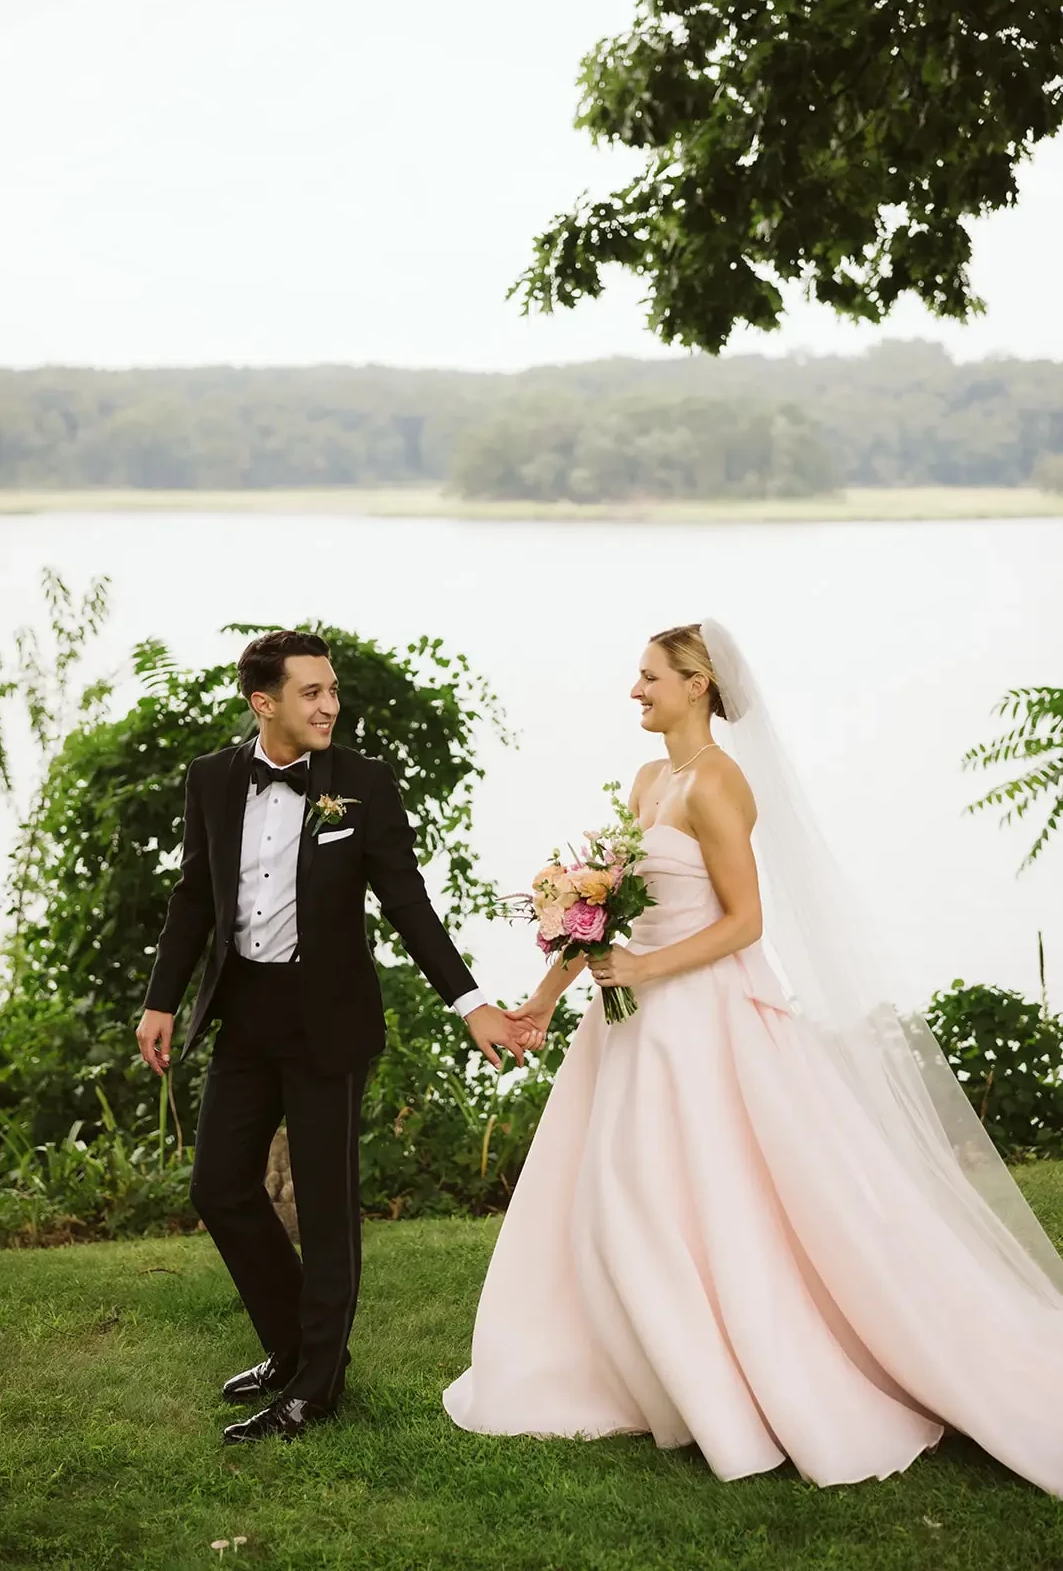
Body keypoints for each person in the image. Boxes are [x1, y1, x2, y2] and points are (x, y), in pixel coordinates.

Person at [444, 620, 1063, 1495]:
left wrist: (646, 969)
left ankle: (739, 1372)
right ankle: (642, 1365)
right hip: (628, 1025)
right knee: (616, 1191)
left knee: (683, 1196)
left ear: (697, 684)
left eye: (648, 676)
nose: (635, 690)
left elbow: (744, 922)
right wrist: (544, 998)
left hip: (699, 1019)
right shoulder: (649, 779)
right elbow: (606, 909)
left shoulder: (719, 784)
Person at [136, 629, 538, 1445]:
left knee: (323, 1209)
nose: (329, 705)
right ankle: (292, 1348)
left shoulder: (362, 784)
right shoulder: (212, 779)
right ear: (264, 702)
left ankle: (315, 1385)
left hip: (329, 1022)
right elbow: (192, 897)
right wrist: (161, 1000)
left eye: (331, 691)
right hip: (243, 1015)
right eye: (310, 693)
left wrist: (470, 1004)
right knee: (218, 1187)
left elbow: (408, 902)